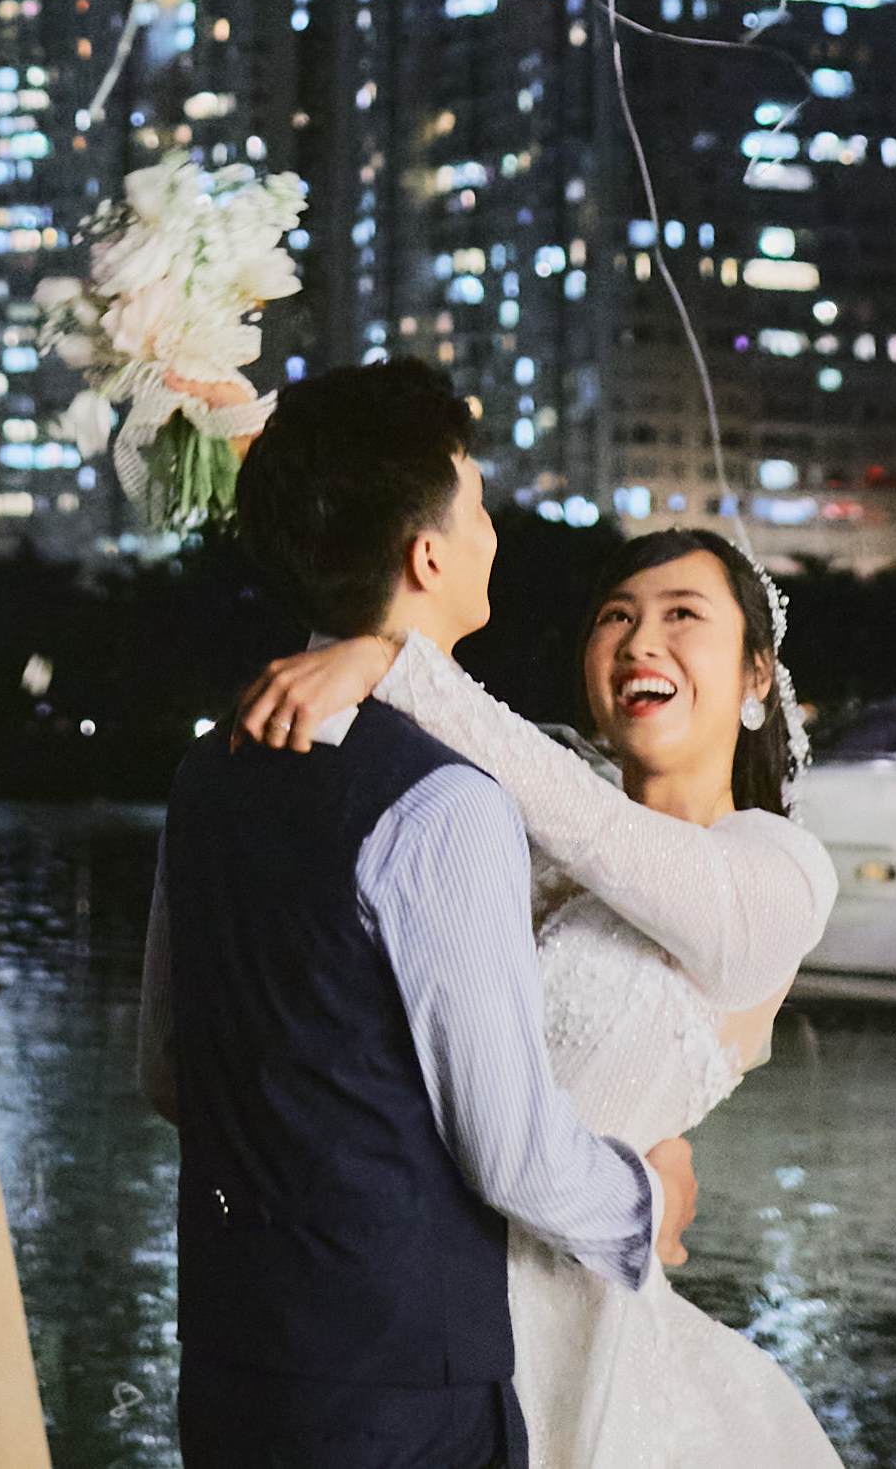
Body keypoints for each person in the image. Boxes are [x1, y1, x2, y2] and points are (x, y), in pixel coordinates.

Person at [142, 360, 686, 1469]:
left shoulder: (206, 774)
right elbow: (514, 1153)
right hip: (399, 1390)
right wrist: (644, 1202)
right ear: (426, 553)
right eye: (479, 507)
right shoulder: (442, 803)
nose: (492, 532)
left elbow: (165, 1071)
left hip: (231, 1363)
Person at [231, 518, 843, 1469]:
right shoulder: (505, 828)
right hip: (404, 1317)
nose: (641, 639)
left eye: (683, 614)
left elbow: (605, 831)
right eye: (615, 616)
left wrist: (397, 661)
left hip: (583, 1335)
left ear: (758, 675)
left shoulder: (778, 872)